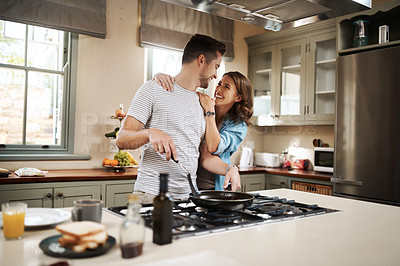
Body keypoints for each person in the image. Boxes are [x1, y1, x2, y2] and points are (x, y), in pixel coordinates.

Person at [116, 34, 240, 203]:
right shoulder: (153, 89)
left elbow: (204, 157)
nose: (216, 75)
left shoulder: (203, 103)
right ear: (202, 60)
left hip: (189, 198)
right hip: (151, 196)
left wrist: (230, 169)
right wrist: (149, 134)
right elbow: (122, 140)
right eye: (216, 66)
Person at [154, 71, 254, 190]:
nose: (219, 89)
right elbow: (178, 94)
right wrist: (159, 77)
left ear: (238, 97)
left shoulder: (238, 125)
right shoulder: (201, 105)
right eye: (219, 84)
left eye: (226, 87)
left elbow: (213, 147)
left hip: (214, 187)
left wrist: (209, 112)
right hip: (189, 185)